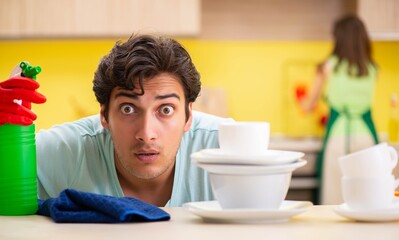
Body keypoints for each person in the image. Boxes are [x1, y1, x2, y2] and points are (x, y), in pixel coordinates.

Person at [0, 34, 233, 207]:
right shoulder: (69, 150)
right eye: (128, 108)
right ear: (104, 116)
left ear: (188, 116)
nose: (146, 133)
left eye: (165, 110)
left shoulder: (225, 150)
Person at [300, 15, 379, 204]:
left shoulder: (328, 66)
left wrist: (302, 99)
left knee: (334, 198)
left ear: (338, 39)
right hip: (366, 138)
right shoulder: (372, 69)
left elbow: (309, 105)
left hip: (338, 136)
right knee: (366, 197)